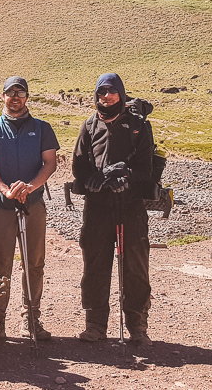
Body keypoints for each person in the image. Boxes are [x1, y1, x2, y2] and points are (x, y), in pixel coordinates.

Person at [72, 73, 154, 346]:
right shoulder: (89, 126)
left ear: (121, 93)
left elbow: (146, 169)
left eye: (111, 91)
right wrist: (90, 182)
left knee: (135, 267)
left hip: (130, 207)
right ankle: (95, 324)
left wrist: (126, 175)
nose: (105, 96)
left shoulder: (139, 126)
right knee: (95, 264)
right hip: (98, 208)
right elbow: (79, 167)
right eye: (101, 92)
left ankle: (137, 326)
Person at [0, 76, 59, 342]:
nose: (15, 97)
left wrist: (31, 187)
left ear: (27, 97)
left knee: (34, 262)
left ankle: (31, 318)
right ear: (2, 97)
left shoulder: (42, 128)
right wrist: (5, 189)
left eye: (20, 93)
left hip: (33, 204)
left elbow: (49, 163)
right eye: (10, 93)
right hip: (2, 206)